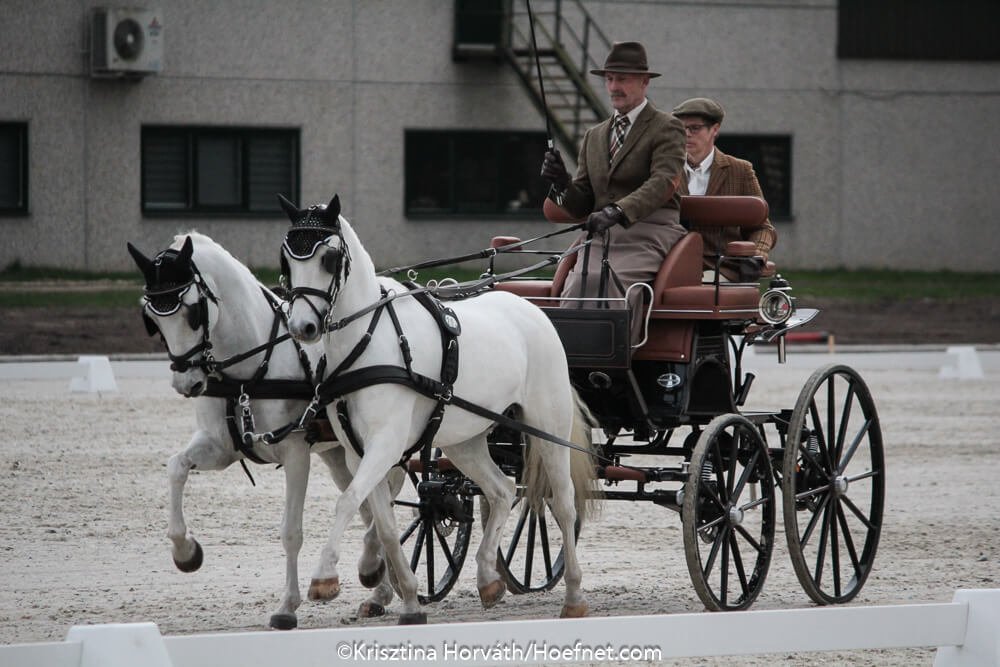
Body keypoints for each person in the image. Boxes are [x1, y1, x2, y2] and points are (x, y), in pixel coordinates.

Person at [540, 41, 686, 333]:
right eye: (609, 79)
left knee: (611, 283)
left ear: (644, 82)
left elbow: (663, 182)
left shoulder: (666, 127)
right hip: (601, 235)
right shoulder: (594, 135)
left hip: (650, 232)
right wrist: (562, 183)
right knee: (577, 285)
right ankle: (573, 356)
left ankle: (616, 356)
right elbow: (582, 203)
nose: (614, 87)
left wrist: (619, 211)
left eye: (623, 79)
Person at [671, 97, 777, 282]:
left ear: (715, 129)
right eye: (681, 128)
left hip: (721, 266)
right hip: (670, 263)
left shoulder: (740, 170)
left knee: (701, 292)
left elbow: (763, 227)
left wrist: (756, 256)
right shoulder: (664, 168)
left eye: (694, 128)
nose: (686, 134)